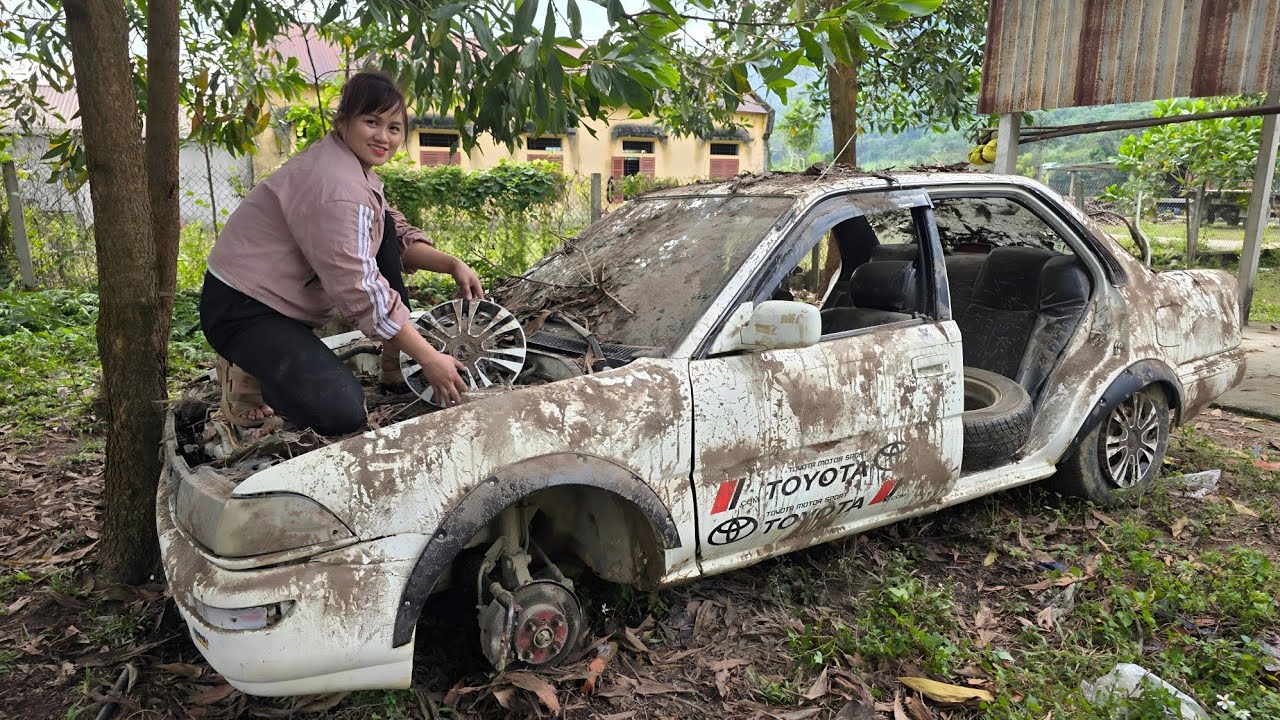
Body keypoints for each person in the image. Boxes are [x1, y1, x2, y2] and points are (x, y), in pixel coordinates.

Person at [200, 70, 483, 435]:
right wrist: (428, 356)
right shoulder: (335, 186)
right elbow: (359, 289)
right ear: (343, 121)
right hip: (244, 309)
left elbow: (390, 235)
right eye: (371, 122)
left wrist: (451, 264)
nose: (384, 137)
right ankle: (247, 369)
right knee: (340, 412)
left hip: (284, 301)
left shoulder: (354, 170)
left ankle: (391, 357)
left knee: (384, 227)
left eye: (394, 128)